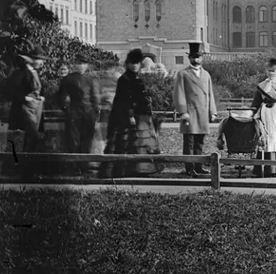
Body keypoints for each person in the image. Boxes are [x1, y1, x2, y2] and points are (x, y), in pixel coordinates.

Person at [101, 48, 163, 178]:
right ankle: (125, 170)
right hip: (127, 117)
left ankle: (140, 169)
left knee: (139, 143)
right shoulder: (125, 79)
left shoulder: (136, 78)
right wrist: (130, 115)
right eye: (132, 63)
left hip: (140, 116)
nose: (135, 65)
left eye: (137, 63)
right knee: (127, 142)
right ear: (128, 64)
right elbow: (124, 99)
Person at [172, 41, 218, 177]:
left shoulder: (206, 74)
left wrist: (212, 111)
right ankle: (189, 167)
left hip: (203, 113)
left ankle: (199, 166)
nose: (196, 59)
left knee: (200, 142)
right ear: (189, 58)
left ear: (202, 58)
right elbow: (178, 93)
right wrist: (183, 111)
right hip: (190, 113)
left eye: (198, 57)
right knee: (189, 142)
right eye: (193, 57)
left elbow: (210, 94)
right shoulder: (183, 74)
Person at [6, 50, 48, 179]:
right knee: (32, 136)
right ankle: (23, 170)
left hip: (36, 108)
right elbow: (10, 90)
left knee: (32, 139)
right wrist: (25, 98)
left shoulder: (35, 73)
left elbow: (39, 89)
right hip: (24, 108)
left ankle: (28, 171)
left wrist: (41, 97)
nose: (42, 63)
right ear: (32, 60)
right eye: (40, 60)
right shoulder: (21, 73)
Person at [57, 53, 100, 176]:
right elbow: (61, 97)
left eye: (84, 64)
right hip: (74, 113)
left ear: (86, 66)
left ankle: (84, 166)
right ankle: (74, 167)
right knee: (73, 141)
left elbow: (94, 97)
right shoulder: (67, 79)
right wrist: (67, 109)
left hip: (88, 113)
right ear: (74, 65)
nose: (81, 66)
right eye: (79, 63)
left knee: (87, 141)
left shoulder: (90, 80)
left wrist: (95, 111)